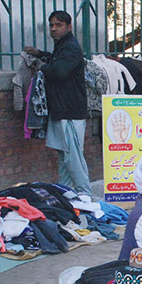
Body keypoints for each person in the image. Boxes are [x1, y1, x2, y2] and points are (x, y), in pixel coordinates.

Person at [24, 11, 91, 196]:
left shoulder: (71, 47)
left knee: (72, 157)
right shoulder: (62, 46)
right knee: (64, 156)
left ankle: (84, 193)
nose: (53, 29)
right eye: (51, 25)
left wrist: (40, 66)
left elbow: (59, 71)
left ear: (68, 27)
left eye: (58, 25)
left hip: (70, 111)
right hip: (61, 110)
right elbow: (56, 61)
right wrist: (40, 54)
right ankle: (66, 193)